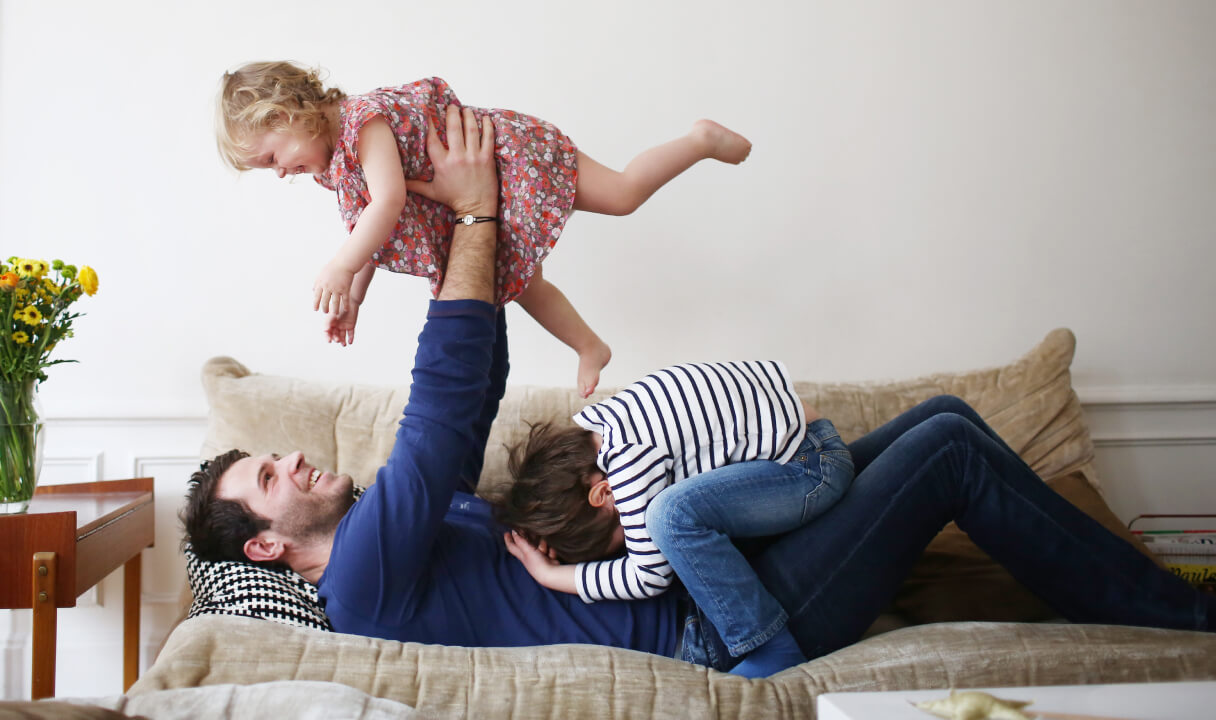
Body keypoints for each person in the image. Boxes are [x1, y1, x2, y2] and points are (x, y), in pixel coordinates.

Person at [182, 109, 1213, 677]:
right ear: (268, 545)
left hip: (711, 563)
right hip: (720, 625)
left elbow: (475, 383)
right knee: (941, 454)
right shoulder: (361, 575)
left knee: (942, 422)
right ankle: (1182, 623)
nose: (297, 461)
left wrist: (478, 239)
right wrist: (478, 212)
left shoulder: (394, 529)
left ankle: (1159, 609)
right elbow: (443, 409)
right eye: (271, 476)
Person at [215, 61, 752, 397]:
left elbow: (390, 201)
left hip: (507, 157)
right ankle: (590, 345)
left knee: (622, 195)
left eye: (271, 158)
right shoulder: (335, 166)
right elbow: (370, 227)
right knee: (519, 285)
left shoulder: (363, 121)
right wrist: (354, 298)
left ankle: (700, 140)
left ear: (290, 112)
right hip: (472, 198)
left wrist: (339, 264)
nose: (279, 173)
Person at [490, 360, 854, 677]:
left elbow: (648, 576)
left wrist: (551, 575)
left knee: (669, 519)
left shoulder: (627, 465)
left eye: (618, 536)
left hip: (809, 468)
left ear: (603, 496)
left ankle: (769, 648)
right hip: (806, 445)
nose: (631, 541)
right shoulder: (608, 420)